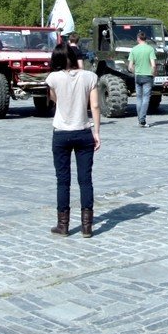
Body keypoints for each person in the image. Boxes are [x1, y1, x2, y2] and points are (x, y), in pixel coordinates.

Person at [46, 42, 101, 237]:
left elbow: (55, 100)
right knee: (85, 180)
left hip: (61, 132)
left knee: (63, 181)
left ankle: (63, 225)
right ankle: (87, 226)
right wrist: (97, 132)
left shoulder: (53, 78)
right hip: (83, 131)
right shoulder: (90, 77)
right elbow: (94, 106)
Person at [127, 31, 157, 128]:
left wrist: (135, 72)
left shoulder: (134, 49)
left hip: (138, 76)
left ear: (138, 39)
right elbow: (153, 65)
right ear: (146, 39)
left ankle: (139, 119)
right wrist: (154, 73)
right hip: (148, 76)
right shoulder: (150, 49)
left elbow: (130, 67)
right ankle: (142, 120)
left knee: (139, 98)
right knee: (146, 98)